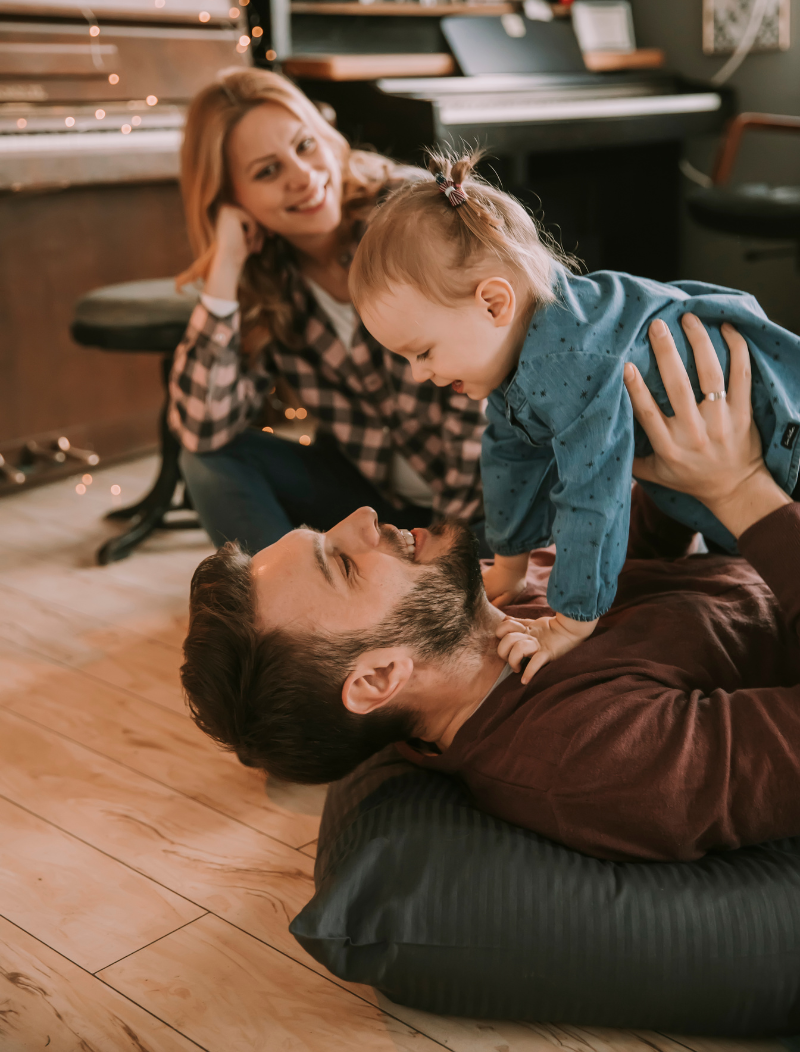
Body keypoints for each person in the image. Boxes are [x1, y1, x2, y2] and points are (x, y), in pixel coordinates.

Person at [181, 316, 800, 862]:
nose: (363, 519)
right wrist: (738, 488)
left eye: (328, 531)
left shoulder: (487, 614)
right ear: (377, 679)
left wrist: (658, 446)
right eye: (342, 565)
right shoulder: (588, 762)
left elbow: (632, 565)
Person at [349, 150, 800, 671]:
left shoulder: (568, 360)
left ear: (494, 303)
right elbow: (509, 453)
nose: (417, 374)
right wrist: (511, 566)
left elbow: (594, 497)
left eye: (422, 351)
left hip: (782, 443)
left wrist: (571, 618)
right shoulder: (522, 341)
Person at [168, 71, 486, 553]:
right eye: (267, 171)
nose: (302, 175)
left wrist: (443, 553)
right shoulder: (262, 275)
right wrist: (227, 266)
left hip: (486, 506)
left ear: (328, 138)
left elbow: (477, 401)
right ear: (233, 200)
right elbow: (202, 428)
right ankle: (290, 610)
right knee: (208, 460)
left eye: (304, 145)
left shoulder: (408, 213)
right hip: (377, 507)